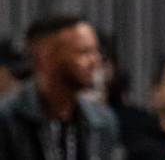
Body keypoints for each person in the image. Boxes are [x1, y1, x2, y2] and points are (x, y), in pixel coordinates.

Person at [0, 16, 121, 159]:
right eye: (83, 52)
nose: (95, 61)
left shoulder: (101, 122)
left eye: (96, 52)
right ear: (46, 57)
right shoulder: (7, 120)